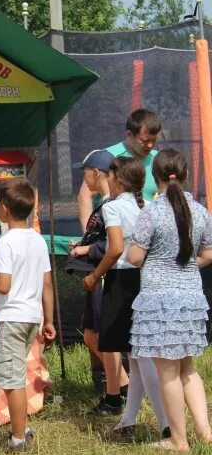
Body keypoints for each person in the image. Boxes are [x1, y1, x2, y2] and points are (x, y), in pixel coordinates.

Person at [128, 149, 212, 451]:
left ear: (156, 177)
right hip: (192, 297)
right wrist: (186, 264)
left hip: (159, 300)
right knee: (188, 368)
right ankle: (205, 432)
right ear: (185, 174)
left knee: (168, 372)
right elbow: (208, 253)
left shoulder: (151, 212)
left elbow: (135, 256)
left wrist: (156, 262)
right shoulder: (201, 211)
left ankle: (179, 440)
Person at [0, 180, 55, 452]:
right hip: (32, 317)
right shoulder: (38, 240)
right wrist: (50, 320)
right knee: (17, 376)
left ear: (4, 210)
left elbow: (3, 286)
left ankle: (18, 438)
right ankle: (21, 428)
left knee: (12, 381)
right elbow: (47, 284)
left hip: (10, 318)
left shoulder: (5, 243)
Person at [82, 157, 145, 417]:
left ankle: (113, 397)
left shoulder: (112, 208)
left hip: (119, 277)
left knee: (110, 342)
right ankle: (139, 395)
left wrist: (96, 275)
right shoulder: (145, 206)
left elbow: (115, 248)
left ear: (116, 180)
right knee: (136, 343)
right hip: (141, 275)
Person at [68, 150, 117, 395]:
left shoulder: (112, 206)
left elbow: (116, 245)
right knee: (91, 336)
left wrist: (86, 249)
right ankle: (123, 386)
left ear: (96, 173)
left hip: (105, 277)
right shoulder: (105, 204)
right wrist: (82, 248)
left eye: (85, 172)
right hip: (96, 277)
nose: (84, 178)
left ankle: (118, 391)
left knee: (104, 339)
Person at [77, 108, 162, 231]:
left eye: (153, 140)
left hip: (149, 235)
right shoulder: (107, 157)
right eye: (144, 141)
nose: (149, 145)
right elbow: (85, 196)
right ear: (129, 135)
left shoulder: (159, 159)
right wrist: (88, 237)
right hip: (115, 236)